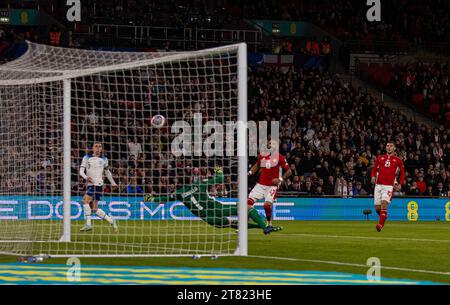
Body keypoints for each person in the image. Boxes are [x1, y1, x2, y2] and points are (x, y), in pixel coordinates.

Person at [144, 167, 281, 235]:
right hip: (217, 208)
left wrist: (150, 198)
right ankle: (265, 226)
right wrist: (219, 170)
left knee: (233, 224)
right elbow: (219, 179)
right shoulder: (200, 184)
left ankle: (262, 227)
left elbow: (162, 200)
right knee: (247, 208)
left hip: (208, 218)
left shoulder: (178, 194)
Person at [248, 139, 292, 228]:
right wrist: (249, 173)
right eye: (269, 143)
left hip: (272, 186)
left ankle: (268, 223)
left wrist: (280, 179)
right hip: (260, 185)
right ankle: (244, 224)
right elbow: (257, 165)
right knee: (247, 204)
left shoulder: (280, 157)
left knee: (266, 205)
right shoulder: (262, 156)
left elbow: (289, 171)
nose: (271, 145)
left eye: (273, 144)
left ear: (277, 146)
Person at [79, 142, 119, 232]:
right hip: (90, 184)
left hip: (97, 184)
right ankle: (112, 221)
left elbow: (107, 172)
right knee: (94, 208)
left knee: (85, 201)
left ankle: (88, 224)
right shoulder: (86, 158)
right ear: (92, 148)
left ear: (101, 149)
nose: (98, 148)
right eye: (96, 146)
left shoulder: (104, 159)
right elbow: (81, 171)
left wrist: (113, 183)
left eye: (99, 146)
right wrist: (86, 177)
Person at [370, 142, 405, 232]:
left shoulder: (398, 160)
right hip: (378, 185)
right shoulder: (380, 158)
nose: (389, 147)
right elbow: (374, 168)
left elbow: (402, 173)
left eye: (391, 146)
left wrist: (400, 184)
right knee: (377, 208)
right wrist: (373, 176)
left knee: (384, 204)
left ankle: (380, 225)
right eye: (387, 146)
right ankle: (384, 216)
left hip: (388, 186)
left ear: (394, 148)